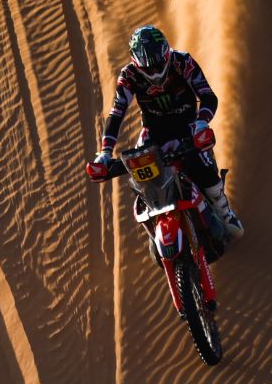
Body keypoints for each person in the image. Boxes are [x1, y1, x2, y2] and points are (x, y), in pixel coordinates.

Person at [87, 25, 244, 240]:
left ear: (166, 53)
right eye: (148, 68)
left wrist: (201, 124)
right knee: (140, 174)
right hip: (154, 131)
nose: (154, 71)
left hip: (188, 125)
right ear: (135, 62)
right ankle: (155, 222)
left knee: (201, 164)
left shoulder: (182, 62)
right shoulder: (129, 76)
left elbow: (208, 96)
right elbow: (116, 113)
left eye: (159, 64)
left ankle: (225, 214)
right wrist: (105, 153)